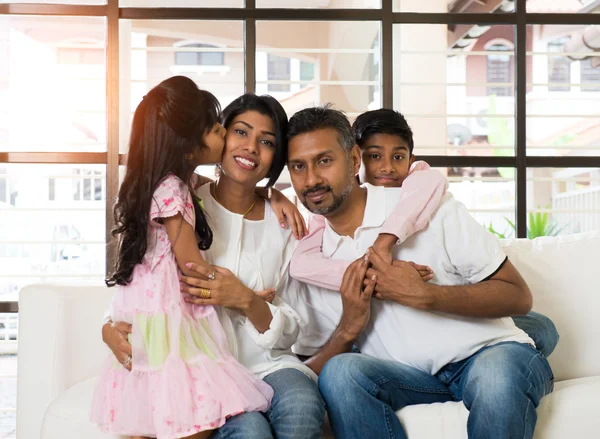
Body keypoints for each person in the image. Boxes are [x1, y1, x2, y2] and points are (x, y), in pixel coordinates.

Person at [285, 106, 555, 439]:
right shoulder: (312, 261)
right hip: (409, 379)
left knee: (497, 377)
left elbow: (517, 295)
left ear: (355, 160)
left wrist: (425, 294)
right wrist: (348, 327)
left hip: (488, 354)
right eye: (299, 166)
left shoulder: (424, 206)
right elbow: (311, 372)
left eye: (324, 161)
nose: (311, 179)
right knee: (342, 372)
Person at [103, 93, 325, 439]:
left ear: (275, 157)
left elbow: (299, 326)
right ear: (218, 136)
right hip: (202, 369)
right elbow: (146, 277)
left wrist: (248, 301)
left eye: (266, 141)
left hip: (268, 364)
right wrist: (109, 327)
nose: (251, 147)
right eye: (240, 132)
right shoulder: (185, 201)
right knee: (250, 432)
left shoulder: (288, 226)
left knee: (302, 407)